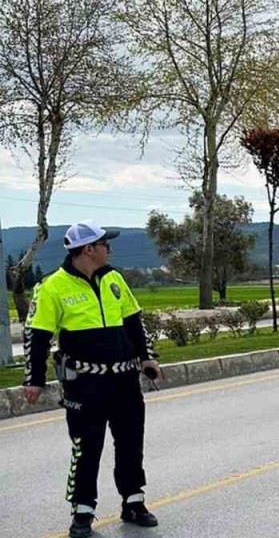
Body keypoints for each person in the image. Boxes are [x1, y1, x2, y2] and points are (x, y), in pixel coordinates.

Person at [23, 220, 163, 538]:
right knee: (86, 446)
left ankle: (133, 501)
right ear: (88, 250)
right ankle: (83, 510)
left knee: (130, 443)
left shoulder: (114, 279)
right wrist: (34, 378)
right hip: (84, 384)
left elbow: (134, 323)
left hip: (125, 380)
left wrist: (147, 357)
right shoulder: (52, 287)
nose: (108, 248)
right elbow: (37, 335)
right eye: (104, 244)